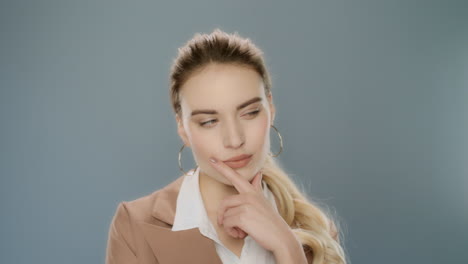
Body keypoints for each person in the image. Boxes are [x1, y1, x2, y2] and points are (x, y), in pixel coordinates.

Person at [105, 28, 347, 264]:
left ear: (270, 109)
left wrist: (287, 248)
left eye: (250, 113)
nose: (234, 140)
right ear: (182, 128)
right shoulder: (135, 225)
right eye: (209, 121)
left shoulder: (315, 230)